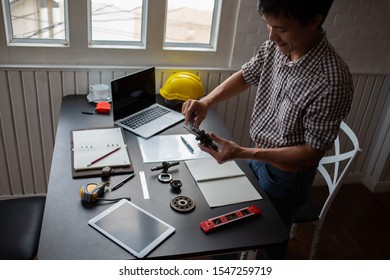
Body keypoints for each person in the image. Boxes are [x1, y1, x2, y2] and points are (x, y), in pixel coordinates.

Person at [181, 0, 353, 259]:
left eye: (281, 28)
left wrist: (243, 153)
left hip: (287, 177)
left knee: (269, 240)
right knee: (239, 224)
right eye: (268, 26)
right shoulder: (275, 47)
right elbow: (246, 74)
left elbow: (312, 151)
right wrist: (207, 101)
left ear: (314, 20)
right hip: (257, 156)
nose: (272, 36)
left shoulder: (332, 80)